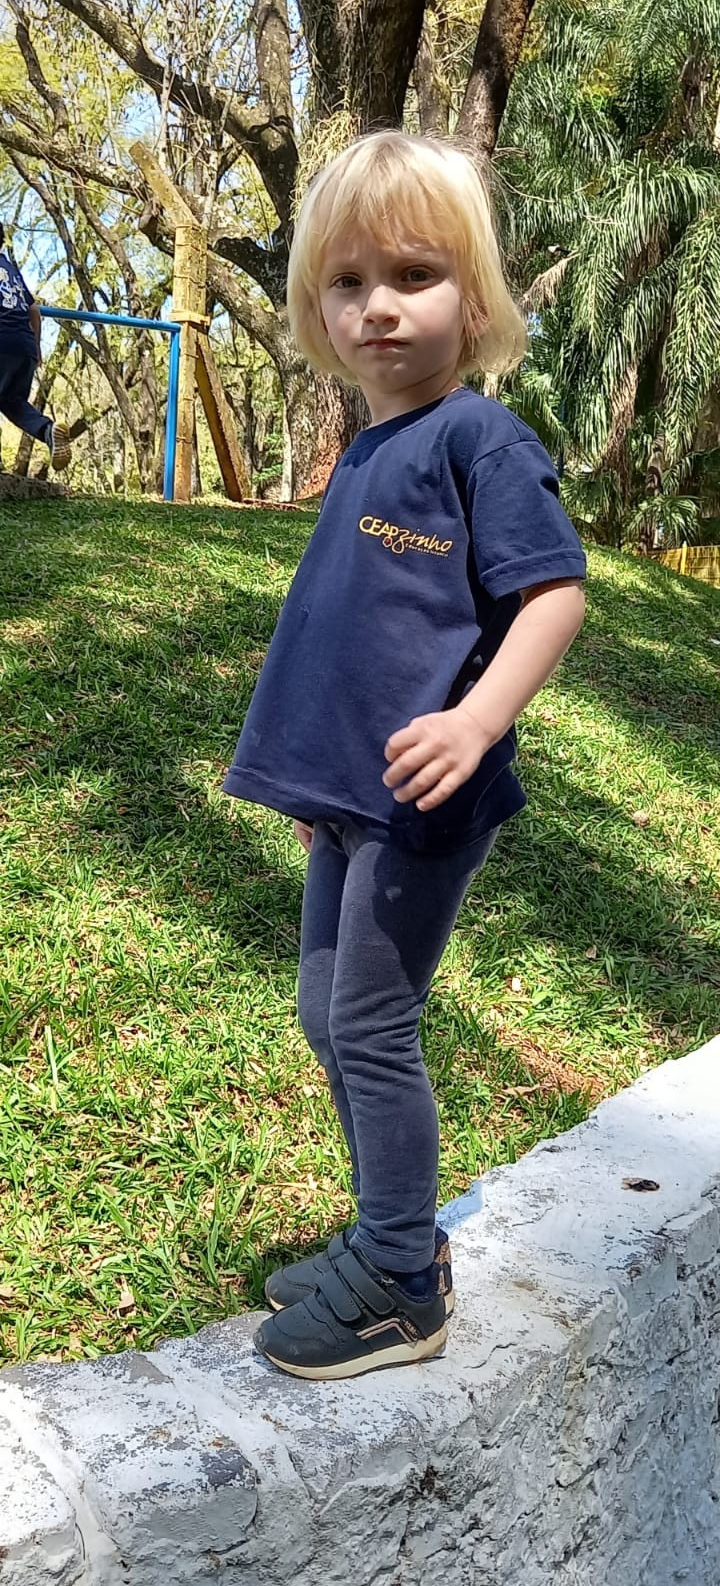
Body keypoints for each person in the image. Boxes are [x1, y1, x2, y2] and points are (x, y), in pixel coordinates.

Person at [222, 131, 587, 1381]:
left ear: (475, 301)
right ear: (315, 310)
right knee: (325, 1013)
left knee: (372, 1022)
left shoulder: (481, 439)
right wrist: (318, 783)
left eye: (415, 275)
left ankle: (397, 1281)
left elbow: (553, 595)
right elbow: (360, 629)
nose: (378, 305)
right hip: (354, 794)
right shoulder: (370, 448)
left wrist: (477, 722)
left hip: (427, 799)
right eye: (348, 281)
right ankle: (398, 1229)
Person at [0, 223, 71, 473]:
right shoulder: (10, 270)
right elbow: (34, 310)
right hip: (25, 345)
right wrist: (37, 347)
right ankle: (47, 430)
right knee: (12, 401)